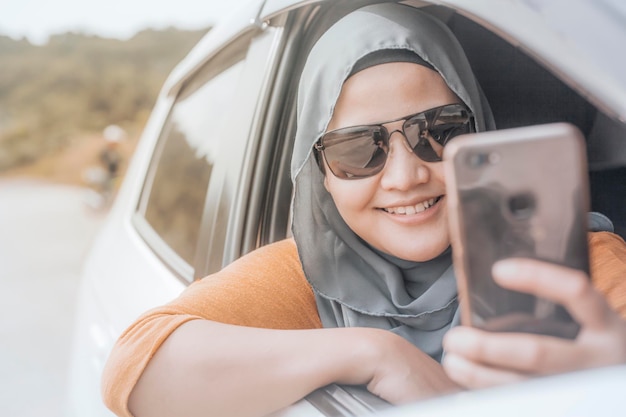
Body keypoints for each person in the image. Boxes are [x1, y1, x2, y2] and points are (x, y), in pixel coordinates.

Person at [101, 4, 626, 417]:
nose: (405, 176)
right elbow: (133, 368)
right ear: (322, 177)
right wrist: (375, 353)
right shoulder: (308, 278)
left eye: (438, 130)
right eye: (358, 150)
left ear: (478, 132)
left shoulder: (567, 263)